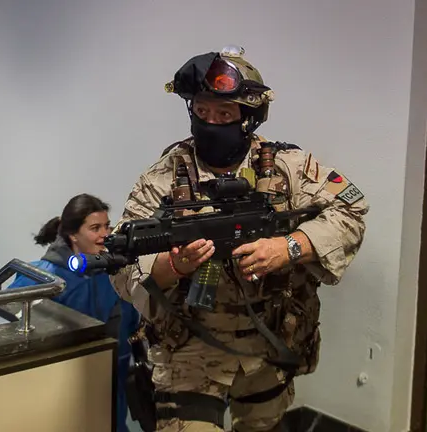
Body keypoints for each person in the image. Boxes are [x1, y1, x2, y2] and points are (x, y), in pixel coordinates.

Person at [109, 45, 369, 432]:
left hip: (269, 343)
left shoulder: (289, 167)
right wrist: (172, 265)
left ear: (249, 117)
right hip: (189, 348)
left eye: (224, 113)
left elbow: (351, 210)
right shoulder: (161, 179)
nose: (210, 122)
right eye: (201, 111)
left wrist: (288, 247)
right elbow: (123, 265)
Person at [7, 193, 141, 432]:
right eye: (95, 228)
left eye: (107, 226)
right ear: (73, 235)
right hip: (62, 395)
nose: (105, 234)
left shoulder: (117, 273)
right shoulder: (45, 277)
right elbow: (11, 321)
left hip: (112, 393)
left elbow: (133, 326)